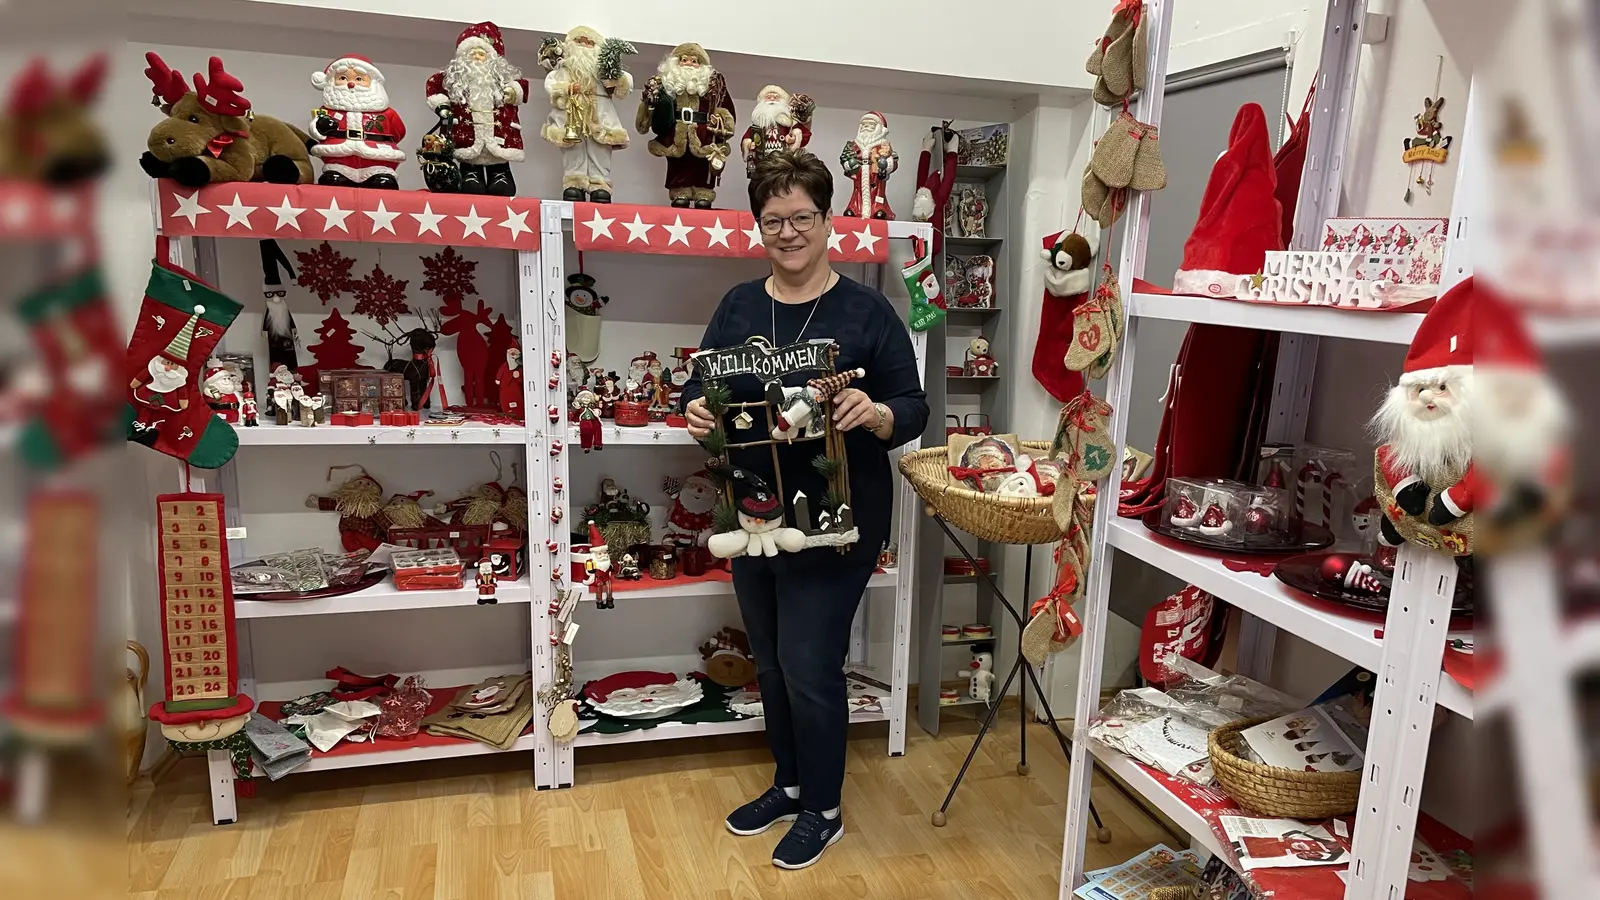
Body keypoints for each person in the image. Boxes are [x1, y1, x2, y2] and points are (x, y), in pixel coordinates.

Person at [680, 150, 928, 870]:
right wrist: (694, 409)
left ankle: (823, 806)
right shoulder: (737, 307)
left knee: (809, 661)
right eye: (773, 220)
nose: (787, 232)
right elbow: (699, 388)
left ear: (828, 221)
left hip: (836, 515)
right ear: (758, 226)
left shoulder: (865, 309)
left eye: (801, 218)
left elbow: (912, 408)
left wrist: (874, 410)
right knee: (773, 664)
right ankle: (789, 782)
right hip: (749, 514)